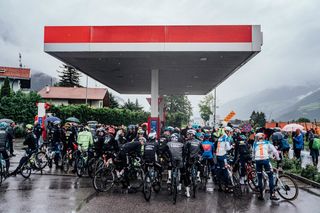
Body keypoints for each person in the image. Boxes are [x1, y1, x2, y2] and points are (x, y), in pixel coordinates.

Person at [252, 133, 281, 201]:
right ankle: (272, 195)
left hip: (258, 160)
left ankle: (261, 194)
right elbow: (275, 151)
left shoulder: (255, 144)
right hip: (265, 160)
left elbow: (253, 153)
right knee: (270, 176)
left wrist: (253, 160)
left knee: (259, 177)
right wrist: (278, 158)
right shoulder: (267, 142)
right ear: (263, 138)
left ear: (257, 138)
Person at [184, 129, 202, 197]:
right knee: (199, 165)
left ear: (192, 135)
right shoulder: (199, 142)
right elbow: (202, 150)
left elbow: (184, 151)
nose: (188, 135)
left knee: (186, 174)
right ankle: (198, 175)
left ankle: (187, 191)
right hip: (196, 159)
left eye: (189, 134)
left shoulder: (188, 142)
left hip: (189, 160)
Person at [215, 126, 232, 191]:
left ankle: (219, 186)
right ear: (227, 131)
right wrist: (232, 146)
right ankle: (227, 186)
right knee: (225, 170)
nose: (230, 133)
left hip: (218, 155)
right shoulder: (226, 137)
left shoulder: (220, 137)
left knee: (219, 170)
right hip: (223, 155)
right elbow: (228, 148)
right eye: (230, 132)